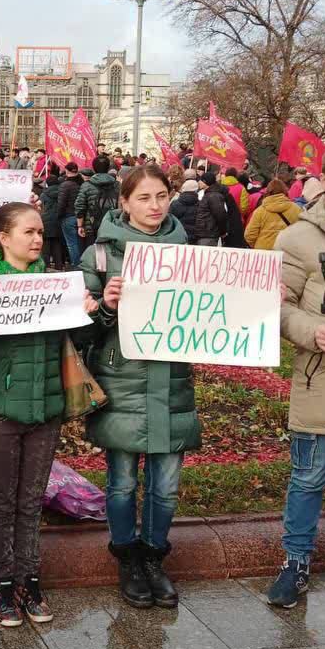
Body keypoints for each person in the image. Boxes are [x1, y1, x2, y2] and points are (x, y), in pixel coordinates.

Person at [0, 203, 95, 627]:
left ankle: (30, 581)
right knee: (1, 503)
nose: (38, 239)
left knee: (30, 502)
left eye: (40, 231)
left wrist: (90, 312)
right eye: (29, 232)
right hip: (0, 409)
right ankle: (2, 586)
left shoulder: (56, 285)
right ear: (3, 237)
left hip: (46, 408)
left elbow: (82, 338)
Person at [80, 165, 202, 609]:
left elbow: (214, 310)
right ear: (124, 202)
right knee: (122, 484)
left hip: (172, 380)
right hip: (122, 382)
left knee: (166, 486)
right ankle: (127, 556)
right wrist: (105, 307)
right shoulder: (98, 255)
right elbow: (79, 330)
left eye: (162, 196)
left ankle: (154, 557)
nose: (155, 206)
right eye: (145, 197)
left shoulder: (193, 253)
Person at [268, 145, 325, 607]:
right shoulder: (297, 239)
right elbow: (278, 306)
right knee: (308, 477)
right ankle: (296, 562)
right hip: (323, 373)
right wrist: (310, 331)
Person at [75, 154, 119, 249]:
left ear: (94, 168)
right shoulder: (117, 185)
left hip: (92, 226)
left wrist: (80, 226)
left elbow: (80, 206)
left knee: (93, 256)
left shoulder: (87, 185)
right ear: (108, 168)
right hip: (113, 226)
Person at [244, 179, 301, 249]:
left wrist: (257, 247)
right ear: (285, 190)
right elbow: (300, 233)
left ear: (268, 192)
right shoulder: (296, 209)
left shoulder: (259, 211)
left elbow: (249, 235)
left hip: (264, 253)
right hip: (287, 252)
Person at [39, 163, 65, 269]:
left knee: (46, 246)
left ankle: (46, 266)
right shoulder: (61, 192)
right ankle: (59, 265)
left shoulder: (44, 194)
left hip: (46, 221)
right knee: (57, 244)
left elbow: (41, 207)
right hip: (59, 220)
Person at [169, 177, 201, 243]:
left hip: (178, 235)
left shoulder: (175, 203)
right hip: (195, 236)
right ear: (196, 190)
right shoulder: (201, 204)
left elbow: (170, 220)